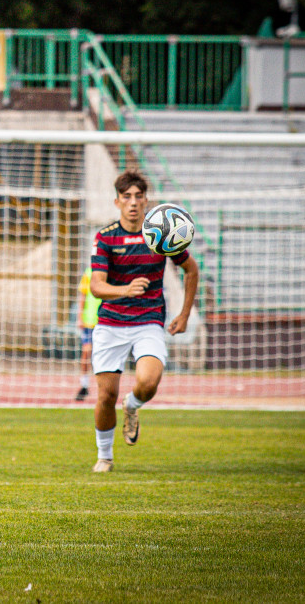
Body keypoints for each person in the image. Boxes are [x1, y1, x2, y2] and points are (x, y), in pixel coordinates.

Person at [88, 170, 199, 473]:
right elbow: (96, 286)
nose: (133, 203)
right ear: (117, 201)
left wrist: (185, 314)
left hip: (148, 320)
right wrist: (124, 289)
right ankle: (105, 456)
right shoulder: (106, 237)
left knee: (148, 382)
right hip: (110, 323)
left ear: (146, 200)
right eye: (127, 197)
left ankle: (133, 405)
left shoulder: (162, 232)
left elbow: (192, 270)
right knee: (106, 395)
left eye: (138, 196)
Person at [75, 267, 101, 401]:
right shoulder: (89, 271)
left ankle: (103, 387)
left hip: (105, 320)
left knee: (102, 355)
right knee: (86, 351)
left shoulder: (111, 269)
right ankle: (84, 385)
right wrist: (80, 317)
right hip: (90, 320)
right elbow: (83, 294)